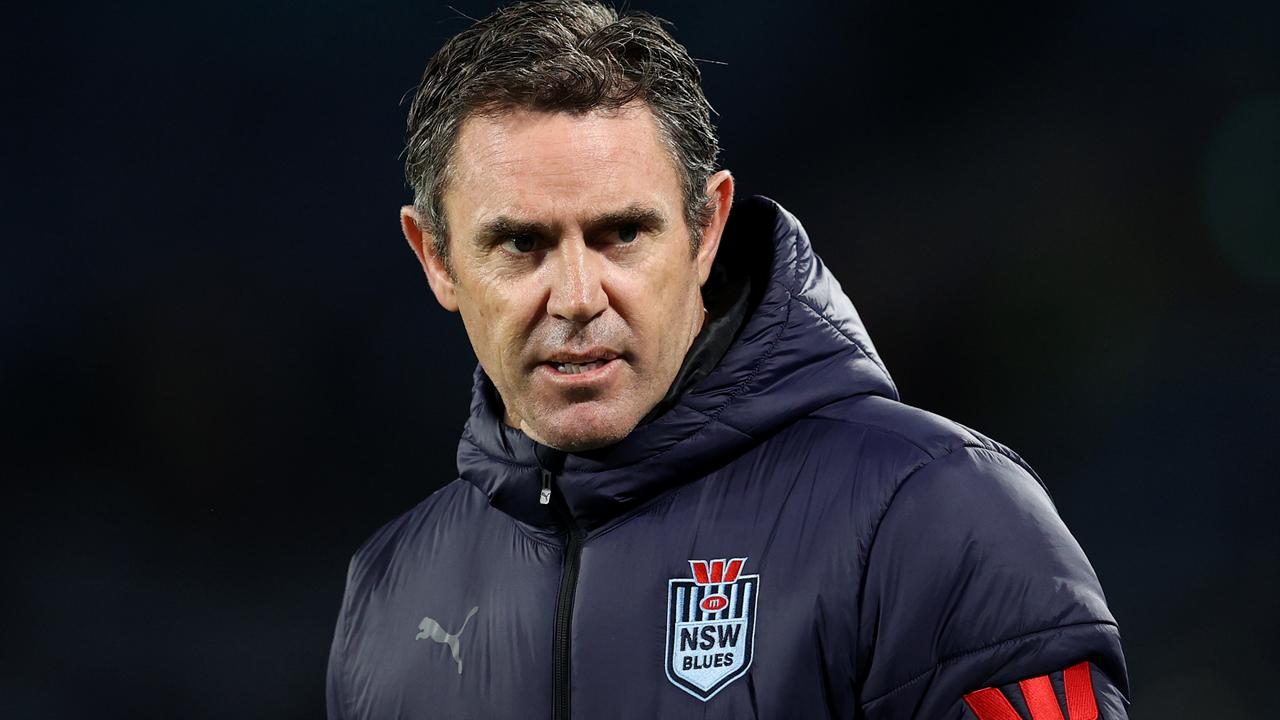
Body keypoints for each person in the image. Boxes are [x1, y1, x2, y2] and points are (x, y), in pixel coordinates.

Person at [325, 2, 1130, 718]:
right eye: (521, 243)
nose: (576, 295)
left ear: (706, 230)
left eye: (623, 235)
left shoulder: (939, 516)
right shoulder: (392, 592)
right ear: (435, 258)